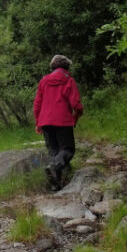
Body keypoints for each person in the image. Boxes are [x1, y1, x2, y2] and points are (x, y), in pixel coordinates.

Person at [33, 54, 84, 190]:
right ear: (67, 67)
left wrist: (38, 122)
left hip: (45, 121)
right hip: (62, 121)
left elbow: (37, 103)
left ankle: (56, 185)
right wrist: (78, 114)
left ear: (53, 66)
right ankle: (54, 168)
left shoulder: (44, 81)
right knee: (67, 150)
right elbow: (76, 104)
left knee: (54, 152)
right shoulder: (69, 80)